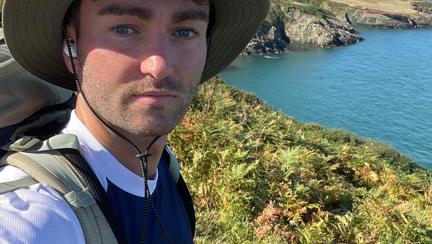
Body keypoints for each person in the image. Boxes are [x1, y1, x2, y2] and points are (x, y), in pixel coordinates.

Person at [0, 0, 269, 243]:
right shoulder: (35, 213)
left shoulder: (164, 167)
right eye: (124, 29)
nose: (159, 66)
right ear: (71, 47)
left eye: (185, 31)